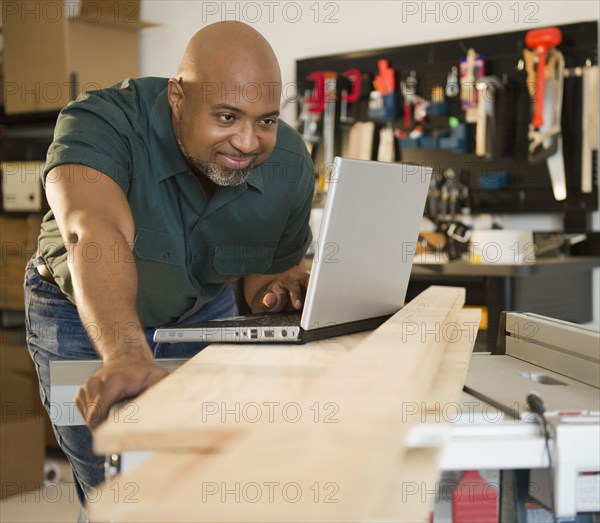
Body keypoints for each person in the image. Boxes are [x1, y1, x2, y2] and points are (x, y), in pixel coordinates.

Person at [24, 21, 314, 509]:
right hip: (78, 316)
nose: (248, 142)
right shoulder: (101, 120)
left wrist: (281, 287)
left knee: (204, 475)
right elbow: (93, 234)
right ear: (178, 97)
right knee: (120, 487)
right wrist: (126, 353)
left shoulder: (288, 162)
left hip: (201, 310)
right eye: (227, 117)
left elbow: (261, 275)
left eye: (265, 120)